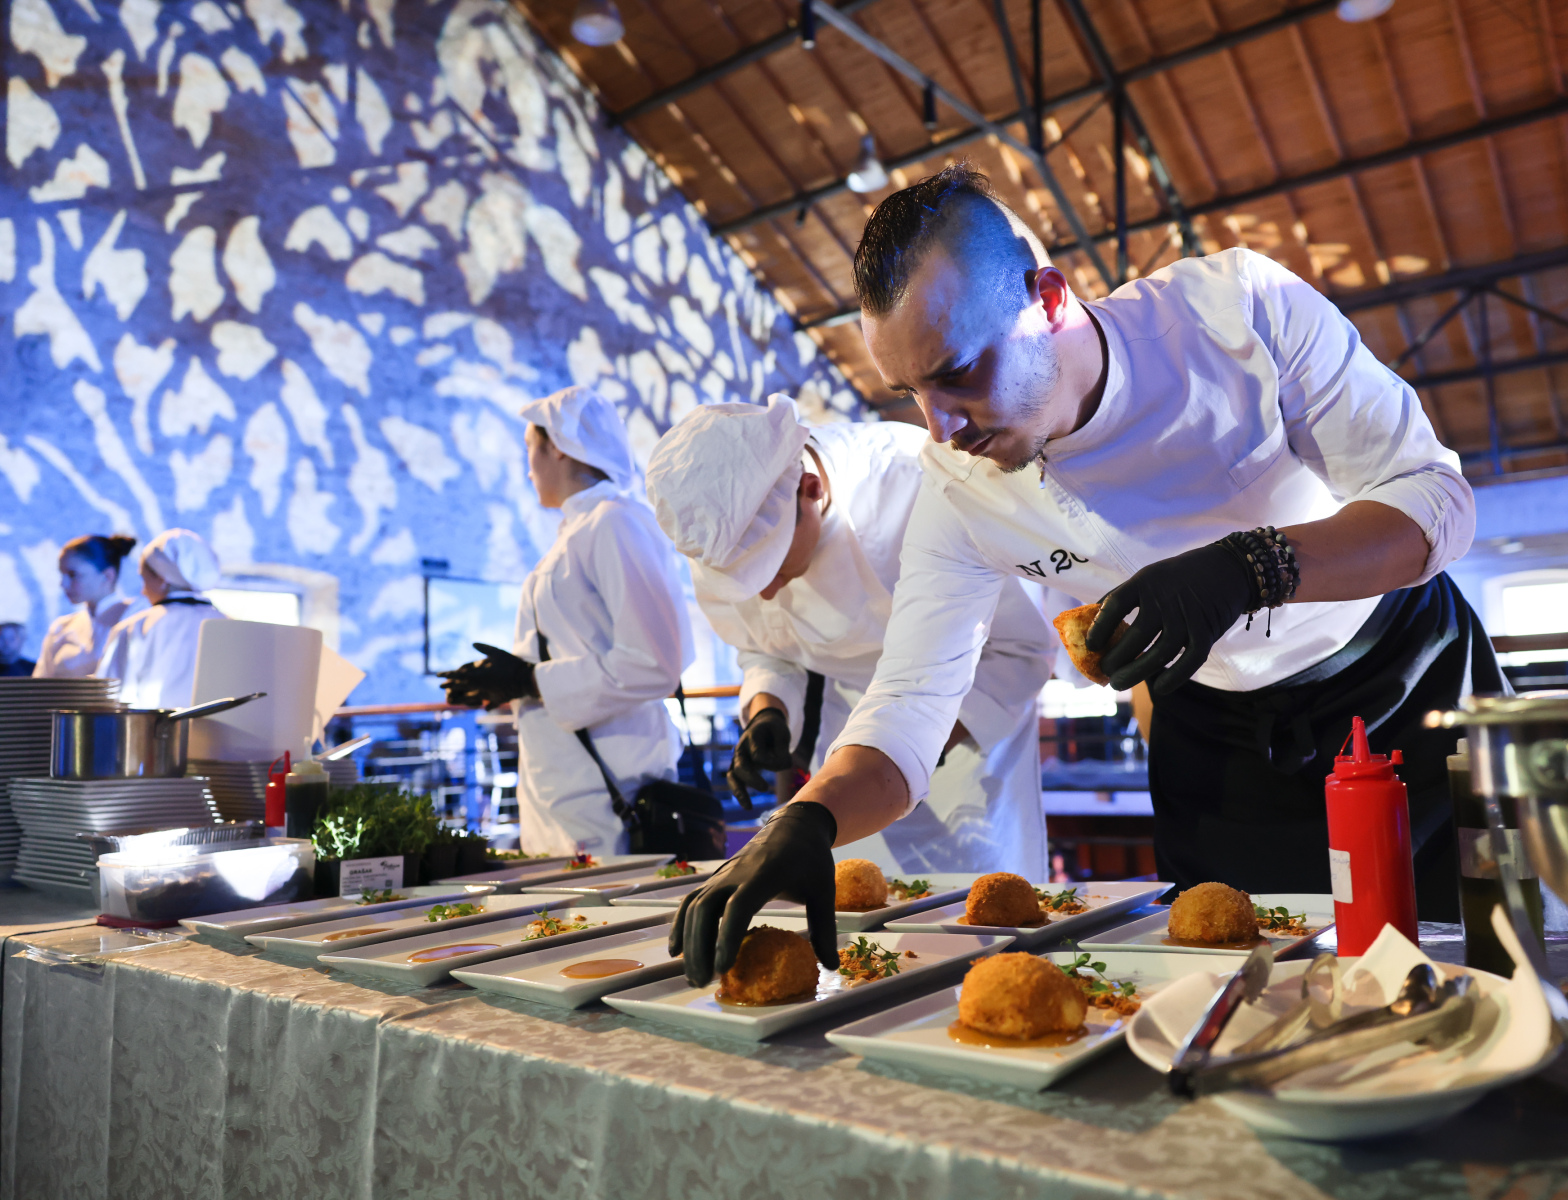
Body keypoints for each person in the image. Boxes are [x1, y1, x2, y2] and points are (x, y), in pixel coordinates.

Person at [672, 165, 1504, 985]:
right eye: (910, 392)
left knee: (1466, 968)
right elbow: (913, 700)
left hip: (1398, 683)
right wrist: (810, 818)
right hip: (1212, 730)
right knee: (1239, 991)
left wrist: (1251, 566)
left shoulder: (1236, 313)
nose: (940, 426)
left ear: (1048, 299)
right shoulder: (956, 487)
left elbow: (1435, 498)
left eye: (957, 372)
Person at [645, 396, 1052, 878]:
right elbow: (766, 646)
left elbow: (1021, 652)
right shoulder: (720, 525)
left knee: (971, 902)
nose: (766, 593)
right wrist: (769, 710)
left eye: (770, 568)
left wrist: (908, 748)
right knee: (853, 906)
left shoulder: (916, 483)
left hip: (965, 739)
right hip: (843, 747)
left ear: (810, 490)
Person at [439, 386, 694, 857]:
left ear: (557, 445)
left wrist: (531, 680)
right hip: (569, 788)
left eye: (529, 448)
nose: (527, 467)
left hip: (612, 790)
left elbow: (656, 663)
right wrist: (507, 682)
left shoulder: (615, 522)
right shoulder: (580, 530)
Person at [96, 529, 226, 708]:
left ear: (162, 579)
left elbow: (108, 702)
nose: (143, 591)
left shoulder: (136, 627)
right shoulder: (232, 626)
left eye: (144, 580)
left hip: (153, 726)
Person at [34, 534, 141, 678]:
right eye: (62, 574)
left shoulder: (136, 616)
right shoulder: (61, 628)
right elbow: (40, 684)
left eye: (73, 575)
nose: (63, 584)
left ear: (107, 576)